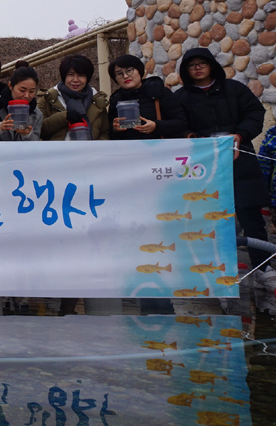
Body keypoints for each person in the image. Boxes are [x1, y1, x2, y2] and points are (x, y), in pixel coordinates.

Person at [175, 47, 268, 271]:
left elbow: (255, 114)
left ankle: (264, 269)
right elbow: (177, 124)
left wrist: (240, 134)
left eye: (202, 63)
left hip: (240, 163)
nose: (197, 68)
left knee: (251, 218)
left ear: (211, 65)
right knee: (206, 220)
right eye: (191, 65)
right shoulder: (180, 97)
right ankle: (213, 271)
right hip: (202, 167)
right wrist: (191, 137)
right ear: (185, 70)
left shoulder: (234, 89)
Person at [106, 55, 187, 140]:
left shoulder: (159, 91)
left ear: (139, 71)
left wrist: (156, 126)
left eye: (129, 70)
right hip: (130, 150)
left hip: (159, 149)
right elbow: (111, 135)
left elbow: (181, 123)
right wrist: (115, 129)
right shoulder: (116, 99)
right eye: (119, 73)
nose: (125, 76)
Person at [38, 55, 109, 141]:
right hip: (58, 153)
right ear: (64, 76)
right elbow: (39, 129)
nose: (75, 80)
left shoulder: (97, 101)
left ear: (88, 78)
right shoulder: (48, 98)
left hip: (90, 152)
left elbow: (105, 132)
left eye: (81, 75)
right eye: (71, 75)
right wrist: (65, 117)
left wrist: (96, 149)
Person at [0, 64, 43, 141]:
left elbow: (36, 145)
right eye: (22, 90)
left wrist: (27, 134)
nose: (26, 95)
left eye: (32, 91)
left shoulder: (36, 114)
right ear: (10, 86)